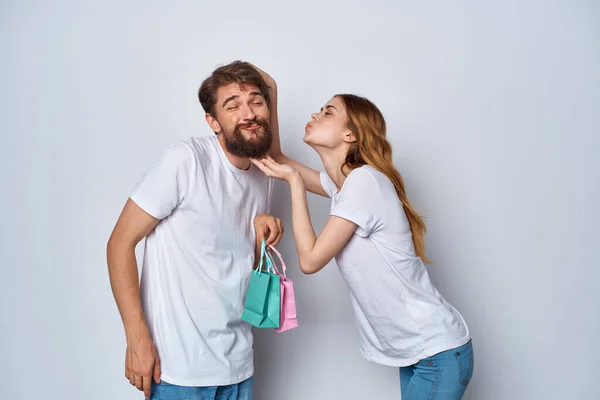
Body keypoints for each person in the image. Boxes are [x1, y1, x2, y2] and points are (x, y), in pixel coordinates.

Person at [251, 72, 474, 399]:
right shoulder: (344, 186)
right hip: (424, 354)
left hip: (436, 353)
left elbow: (311, 259)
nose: (315, 114)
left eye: (328, 112)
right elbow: (278, 160)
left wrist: (296, 185)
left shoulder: (363, 183)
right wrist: (269, 92)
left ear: (351, 134)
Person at [106, 61, 283, 400]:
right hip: (177, 370)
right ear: (213, 122)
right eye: (232, 105)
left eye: (256, 102)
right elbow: (119, 244)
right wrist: (136, 337)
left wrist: (268, 227)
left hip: (239, 364)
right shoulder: (185, 161)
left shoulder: (265, 172)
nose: (248, 113)